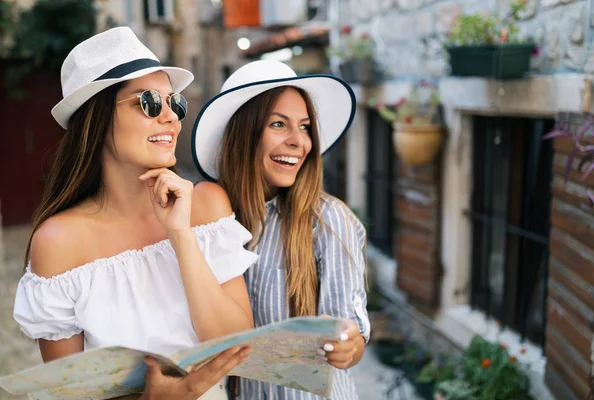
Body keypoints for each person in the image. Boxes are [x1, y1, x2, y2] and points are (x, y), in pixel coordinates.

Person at [12, 27, 258, 400]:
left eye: (174, 103)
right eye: (147, 102)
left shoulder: (205, 205)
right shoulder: (59, 243)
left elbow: (236, 347)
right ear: (95, 120)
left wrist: (181, 235)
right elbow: (69, 394)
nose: (170, 118)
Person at [191, 60, 370, 399]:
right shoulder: (213, 221)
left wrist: (349, 345)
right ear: (243, 134)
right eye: (279, 124)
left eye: (304, 128)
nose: (298, 142)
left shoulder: (328, 221)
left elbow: (352, 333)